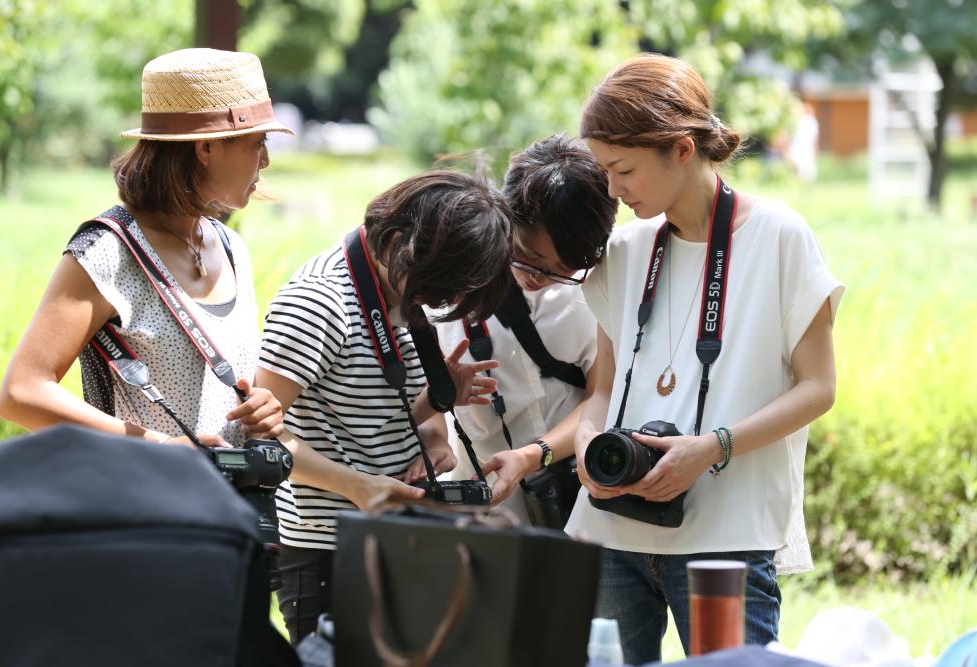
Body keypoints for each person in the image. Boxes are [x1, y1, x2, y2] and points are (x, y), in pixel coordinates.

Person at [571, 53, 844, 663]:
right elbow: (602, 388)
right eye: (605, 172)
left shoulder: (780, 237)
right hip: (611, 528)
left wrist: (712, 447)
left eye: (624, 170)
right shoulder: (624, 248)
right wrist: (591, 446)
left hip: (727, 538)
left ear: (682, 149)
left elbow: (819, 388)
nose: (613, 190)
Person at [255, 168, 513, 644]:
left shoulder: (404, 286)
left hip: (402, 538)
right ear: (397, 240)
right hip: (328, 552)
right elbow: (263, 438)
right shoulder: (320, 301)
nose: (444, 301)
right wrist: (358, 488)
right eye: (441, 289)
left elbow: (376, 411)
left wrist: (435, 428)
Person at [0, 48, 292, 447]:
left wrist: (261, 407)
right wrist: (160, 447)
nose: (267, 160)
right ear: (206, 148)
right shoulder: (106, 252)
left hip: (230, 507)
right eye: (258, 141)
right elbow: (21, 394)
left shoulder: (231, 247)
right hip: (147, 504)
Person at [430, 134, 617, 523]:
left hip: (579, 503)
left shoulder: (594, 284)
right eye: (529, 260)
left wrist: (534, 455)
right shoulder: (454, 282)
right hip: (484, 511)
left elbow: (604, 393)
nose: (544, 278)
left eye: (566, 268)